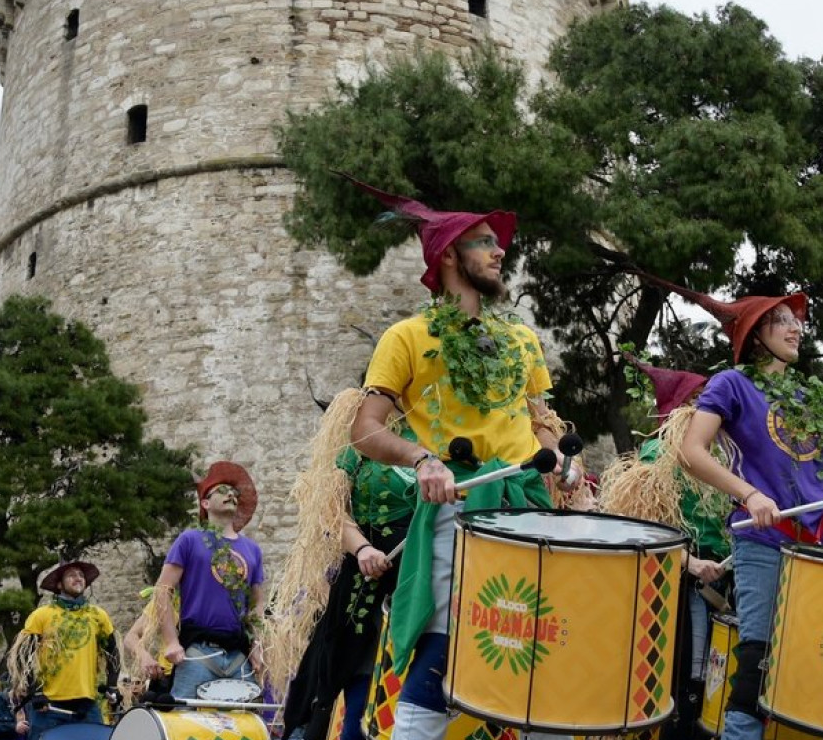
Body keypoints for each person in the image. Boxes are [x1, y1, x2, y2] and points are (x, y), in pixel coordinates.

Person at [341, 176, 573, 740]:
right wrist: (424, 460)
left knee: (538, 648)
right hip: (457, 510)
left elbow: (542, 420)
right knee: (452, 645)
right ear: (448, 256)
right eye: (485, 242)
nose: (500, 252)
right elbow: (364, 432)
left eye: (499, 242)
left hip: (526, 507)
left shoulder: (522, 339)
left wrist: (558, 459)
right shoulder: (407, 336)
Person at [630, 274, 823, 740]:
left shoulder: (807, 397)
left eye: (796, 320)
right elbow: (692, 451)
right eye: (781, 321)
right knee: (758, 659)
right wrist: (749, 494)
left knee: (821, 659)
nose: (796, 328)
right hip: (765, 539)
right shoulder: (731, 384)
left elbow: (822, 469)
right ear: (755, 334)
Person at [597, 357, 733, 739]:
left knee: (708, 683)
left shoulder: (722, 460)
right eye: (701, 398)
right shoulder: (657, 459)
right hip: (677, 590)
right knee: (681, 682)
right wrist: (690, 563)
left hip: (720, 584)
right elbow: (641, 534)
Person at [274, 387, 419, 740]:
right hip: (366, 582)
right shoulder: (363, 439)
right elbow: (329, 509)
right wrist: (363, 549)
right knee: (358, 683)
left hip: (421, 579)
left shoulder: (437, 438)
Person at [148, 461, 266, 700]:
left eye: (233, 492)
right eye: (222, 490)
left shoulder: (252, 549)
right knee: (186, 726)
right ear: (205, 503)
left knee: (242, 729)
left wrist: (258, 645)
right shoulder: (190, 539)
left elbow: (257, 607)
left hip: (238, 656)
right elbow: (162, 591)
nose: (231, 494)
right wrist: (171, 642)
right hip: (197, 653)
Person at [8, 560, 117, 740]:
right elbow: (23, 656)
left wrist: (112, 686)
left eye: (81, 575)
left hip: (87, 705)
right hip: (49, 707)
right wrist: (35, 691)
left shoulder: (98, 615)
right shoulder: (42, 615)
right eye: (72, 575)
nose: (78, 578)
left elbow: (113, 653)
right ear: (59, 584)